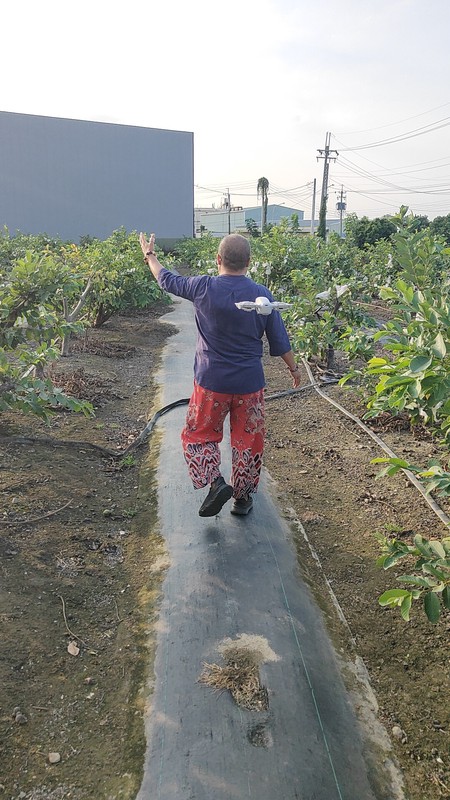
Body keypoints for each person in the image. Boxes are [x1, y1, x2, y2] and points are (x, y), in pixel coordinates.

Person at [139, 231, 301, 518]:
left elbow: (165, 279)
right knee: (248, 440)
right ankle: (243, 499)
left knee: (198, 435)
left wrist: (150, 255)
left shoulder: (202, 287)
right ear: (249, 262)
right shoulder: (262, 296)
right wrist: (293, 368)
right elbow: (279, 341)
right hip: (250, 384)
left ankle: (215, 483)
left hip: (211, 383)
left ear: (218, 259)